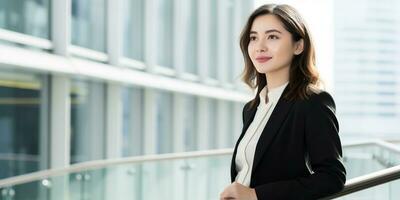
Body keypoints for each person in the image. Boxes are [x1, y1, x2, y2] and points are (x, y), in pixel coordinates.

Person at [220, 4, 346, 200]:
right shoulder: (252, 108)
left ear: (298, 46)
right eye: (253, 38)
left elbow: (332, 177)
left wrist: (256, 195)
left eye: (272, 37)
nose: (260, 46)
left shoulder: (313, 102)